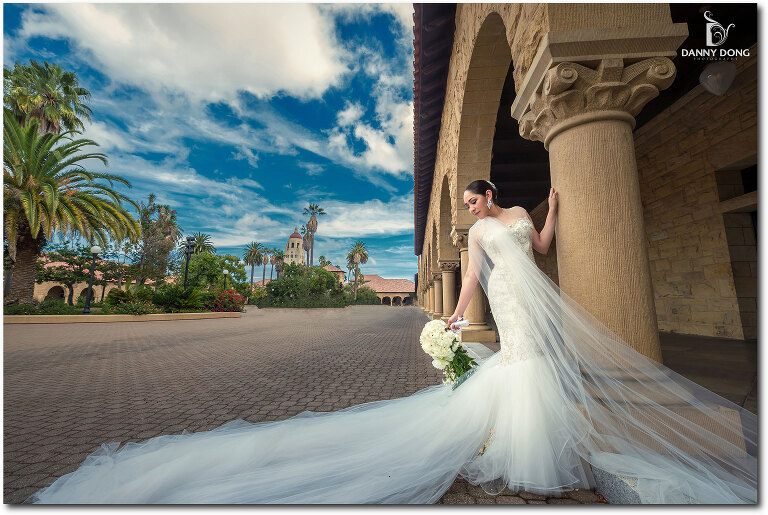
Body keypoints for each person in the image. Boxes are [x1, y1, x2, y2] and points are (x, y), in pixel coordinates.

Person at [27, 180, 756, 504]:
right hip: (506, 302)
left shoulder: (520, 214)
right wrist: (451, 319)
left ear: (490, 192)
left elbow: (541, 244)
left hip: (533, 293)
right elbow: (470, 277)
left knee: (528, 369)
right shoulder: (472, 233)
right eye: (467, 203)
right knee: (518, 365)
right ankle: (522, 448)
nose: (471, 207)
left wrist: (558, 206)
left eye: (475, 198)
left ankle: (532, 447)